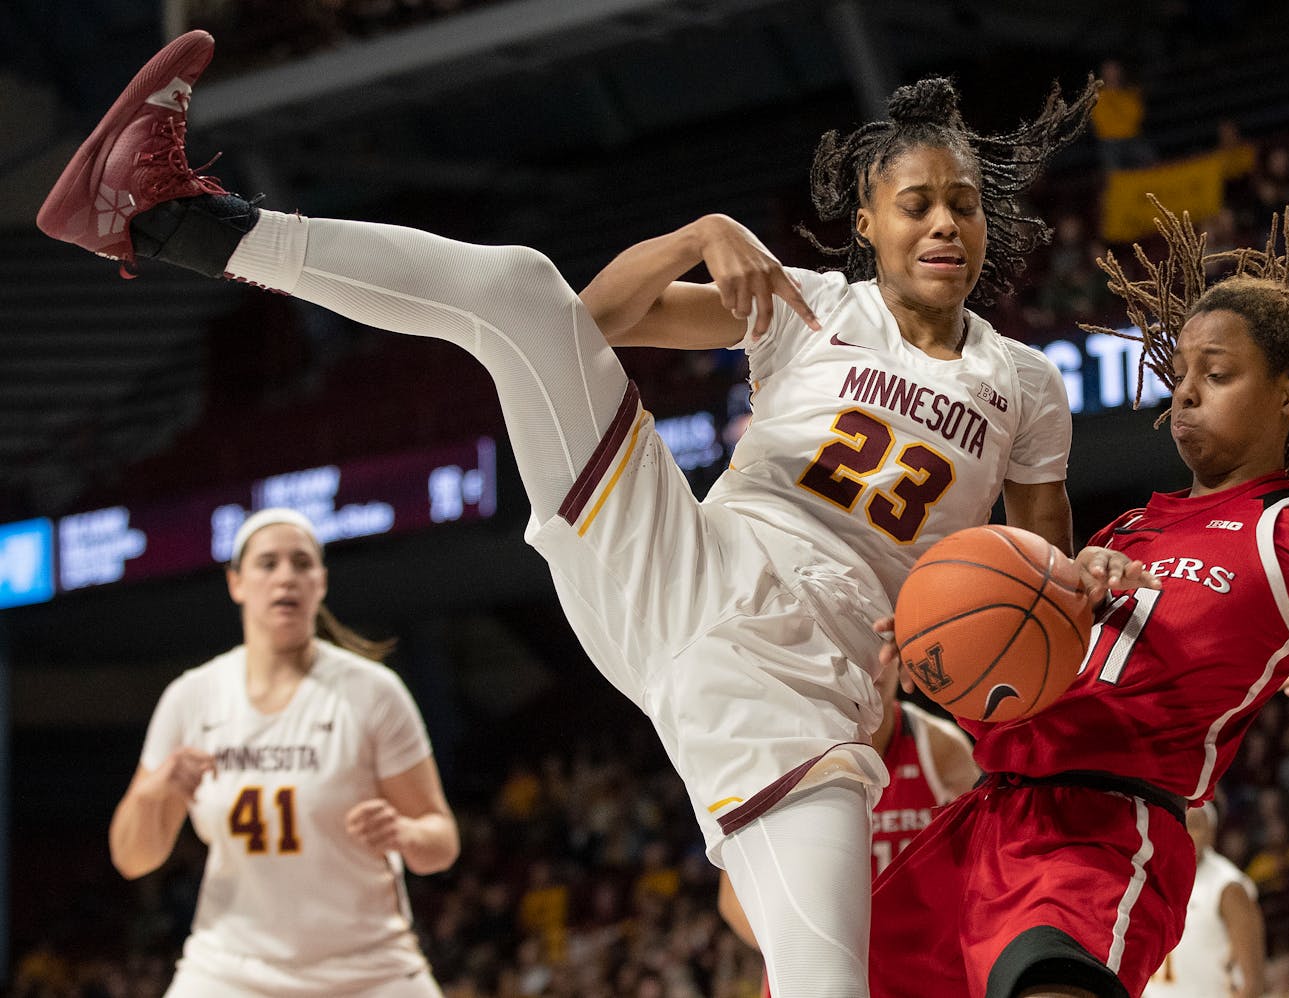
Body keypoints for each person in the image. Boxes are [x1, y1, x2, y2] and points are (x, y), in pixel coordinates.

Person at [38, 30, 1098, 998]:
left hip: (809, 672)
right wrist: (701, 231)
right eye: (915, 201)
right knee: (516, 291)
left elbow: (1038, 570)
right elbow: (587, 321)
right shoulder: (808, 302)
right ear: (866, 222)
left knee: (826, 985)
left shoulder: (1023, 382)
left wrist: (1014, 614)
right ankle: (176, 217)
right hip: (685, 556)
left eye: (961, 201)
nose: (943, 221)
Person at [868, 199, 1289, 998]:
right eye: (1183, 374)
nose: (1186, 394)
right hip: (987, 825)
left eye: (1219, 375)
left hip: (1105, 836)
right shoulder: (1127, 528)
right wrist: (946, 658)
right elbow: (1010, 704)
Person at [109, 507, 459, 996]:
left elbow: (441, 843)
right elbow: (132, 858)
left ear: (321, 582)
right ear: (236, 583)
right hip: (230, 969)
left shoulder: (374, 693)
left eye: (301, 563)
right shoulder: (192, 698)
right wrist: (151, 793)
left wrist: (403, 832)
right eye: (268, 563)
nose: (286, 577)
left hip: (368, 968)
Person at [717, 663, 980, 994]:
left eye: (879, 644)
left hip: (928, 977)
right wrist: (810, 952)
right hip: (822, 977)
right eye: (856, 646)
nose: (870, 666)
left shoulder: (939, 747)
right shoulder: (785, 747)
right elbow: (732, 898)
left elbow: (982, 870)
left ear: (900, 660)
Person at [1142, 802, 1266, 998]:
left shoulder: (1228, 886)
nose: (1187, 833)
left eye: (1196, 826)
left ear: (1211, 834)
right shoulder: (1150, 876)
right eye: (1181, 824)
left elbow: (1253, 982)